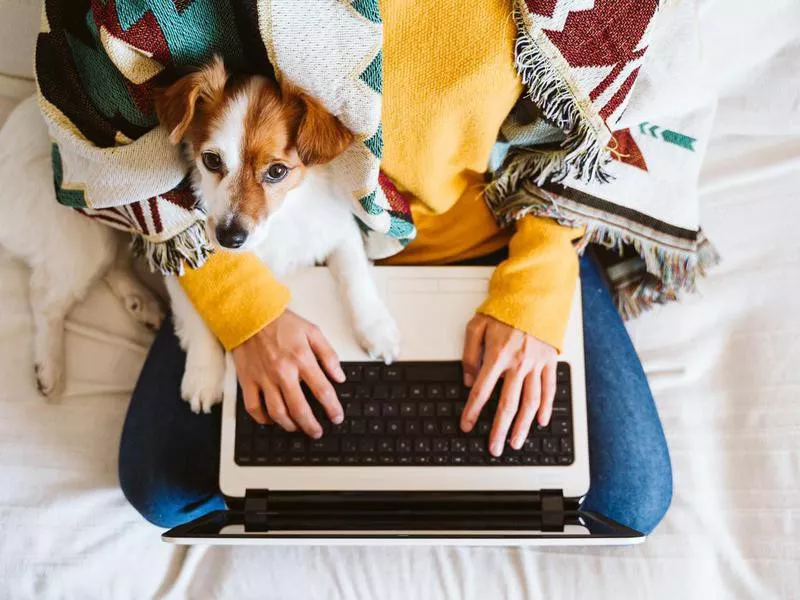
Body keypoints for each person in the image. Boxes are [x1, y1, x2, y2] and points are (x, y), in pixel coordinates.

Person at [116, 1, 672, 534]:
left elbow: (601, 121)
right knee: (164, 487)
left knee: (629, 499)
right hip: (288, 243)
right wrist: (242, 307)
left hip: (506, 229)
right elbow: (123, 118)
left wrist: (536, 291)